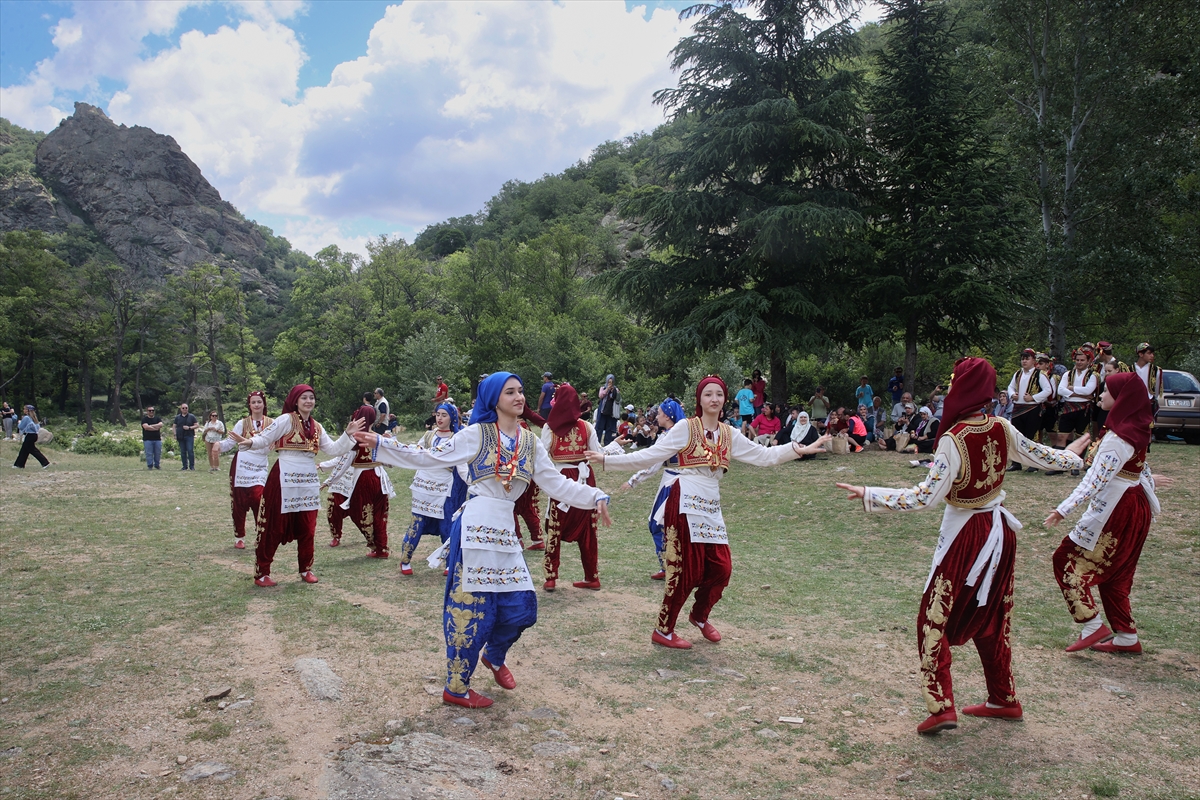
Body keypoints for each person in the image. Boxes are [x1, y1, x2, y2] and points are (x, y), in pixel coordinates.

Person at [836, 357, 1086, 736]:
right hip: (1000, 532)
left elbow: (925, 497)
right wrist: (1076, 454)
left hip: (966, 536)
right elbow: (1045, 456)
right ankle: (1003, 698)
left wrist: (872, 493)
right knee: (993, 619)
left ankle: (942, 706)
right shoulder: (1002, 427)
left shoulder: (954, 439)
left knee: (932, 618)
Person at [353, 372, 613, 709]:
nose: (519, 397)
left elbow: (558, 485)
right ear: (493, 399)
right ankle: (456, 687)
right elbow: (430, 458)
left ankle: (494, 654)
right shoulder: (476, 434)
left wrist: (596, 496)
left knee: (523, 609)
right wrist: (383, 444)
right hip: (475, 525)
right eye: (510, 392)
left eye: (521, 391)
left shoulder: (531, 442)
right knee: (469, 611)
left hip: (504, 530)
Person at [586, 376, 831, 650]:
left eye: (718, 394)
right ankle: (663, 630)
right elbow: (651, 455)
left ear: (725, 399)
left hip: (711, 503)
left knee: (721, 568)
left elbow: (763, 456)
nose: (714, 399)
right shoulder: (685, 428)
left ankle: (699, 616)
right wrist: (608, 460)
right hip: (685, 498)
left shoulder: (730, 434)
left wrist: (797, 449)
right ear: (699, 400)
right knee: (685, 569)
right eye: (708, 394)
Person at [1045, 372, 1170, 655]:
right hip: (1135, 506)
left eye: (1106, 392)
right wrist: (1148, 478)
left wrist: (1063, 510)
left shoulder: (1117, 437)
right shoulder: (1135, 427)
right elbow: (1132, 468)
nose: (1100, 396)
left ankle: (1091, 625)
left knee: (1065, 559)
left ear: (1121, 398)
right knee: (1117, 575)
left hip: (1119, 509)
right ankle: (1126, 635)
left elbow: (1095, 480)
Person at [230, 385, 364, 587]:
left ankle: (306, 568)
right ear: (295, 400)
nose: (309, 401)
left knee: (308, 527)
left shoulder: (317, 426)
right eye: (304, 398)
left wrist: (347, 434)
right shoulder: (286, 419)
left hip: (308, 478)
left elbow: (334, 449)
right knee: (273, 526)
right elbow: (265, 438)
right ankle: (262, 572)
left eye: (311, 397)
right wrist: (248, 443)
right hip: (284, 474)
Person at [540, 383, 618, 591]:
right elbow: (598, 453)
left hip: (561, 479)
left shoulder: (550, 427)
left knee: (555, 527)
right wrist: (614, 448)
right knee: (588, 529)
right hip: (585, 477)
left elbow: (541, 457)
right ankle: (591, 576)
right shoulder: (586, 426)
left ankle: (551, 577)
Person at [396, 403, 469, 576]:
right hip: (424, 485)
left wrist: (473, 483)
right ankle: (405, 559)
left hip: (445, 487)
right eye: (438, 414)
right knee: (417, 522)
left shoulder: (457, 437)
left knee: (447, 524)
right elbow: (416, 451)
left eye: (444, 415)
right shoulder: (429, 435)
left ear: (452, 417)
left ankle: (450, 561)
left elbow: (462, 465)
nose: (440, 418)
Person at [620, 398, 689, 579]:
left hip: (673, 483)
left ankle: (670, 567)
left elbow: (652, 463)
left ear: (667, 415)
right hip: (690, 483)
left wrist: (633, 480)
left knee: (657, 524)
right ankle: (674, 566)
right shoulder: (688, 433)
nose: (656, 416)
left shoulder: (668, 437)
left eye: (658, 414)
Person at [322, 404, 396, 559]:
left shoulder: (355, 440)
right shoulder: (378, 437)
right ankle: (382, 549)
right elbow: (390, 462)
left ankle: (374, 544)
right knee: (380, 514)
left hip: (363, 480)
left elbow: (344, 463)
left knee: (359, 513)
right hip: (380, 479)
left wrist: (329, 481)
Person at [219, 391, 272, 549]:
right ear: (249, 405)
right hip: (241, 465)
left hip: (260, 465)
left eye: (259, 402)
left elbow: (280, 440)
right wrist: (217, 446)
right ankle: (239, 537)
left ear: (264, 404)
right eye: (253, 402)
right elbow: (230, 442)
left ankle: (261, 534)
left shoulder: (272, 422)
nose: (256, 405)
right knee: (239, 502)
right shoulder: (242, 423)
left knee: (259, 499)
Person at [1004, 349, 1052, 472]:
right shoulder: (1018, 373)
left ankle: (1033, 464)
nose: (1024, 361)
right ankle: (1016, 463)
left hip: (1032, 408)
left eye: (1027, 358)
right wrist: (1012, 394)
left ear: (1033, 361)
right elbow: (1010, 387)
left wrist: (1033, 398)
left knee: (1031, 436)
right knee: (1016, 435)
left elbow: (1048, 390)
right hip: (1018, 408)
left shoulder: (1039, 374)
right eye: (1023, 359)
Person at [1055, 348, 1098, 472]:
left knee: (1081, 437)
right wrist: (1079, 394)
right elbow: (1060, 390)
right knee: (1061, 436)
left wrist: (1072, 388)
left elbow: (1089, 390)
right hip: (1068, 407)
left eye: (1082, 360)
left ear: (1089, 361)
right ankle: (1059, 465)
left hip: (1083, 408)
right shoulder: (1067, 374)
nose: (1079, 362)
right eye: (1077, 360)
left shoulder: (1093, 375)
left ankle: (1077, 464)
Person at [12, 405, 50, 469]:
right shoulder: (34, 418)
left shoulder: (26, 418)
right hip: (34, 435)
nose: (23, 410)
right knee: (24, 450)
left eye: (24, 409)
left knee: (32, 450)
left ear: (28, 410)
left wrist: (19, 422)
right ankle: (19, 464)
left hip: (29, 435)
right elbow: (37, 427)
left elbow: (20, 427)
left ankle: (45, 462)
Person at [596, 374, 622, 446]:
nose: (610, 382)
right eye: (609, 380)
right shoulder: (603, 388)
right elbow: (601, 396)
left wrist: (615, 391)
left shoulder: (616, 389)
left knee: (609, 429)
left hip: (611, 412)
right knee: (599, 428)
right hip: (602, 411)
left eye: (611, 380)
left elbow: (618, 399)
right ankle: (597, 443)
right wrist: (607, 388)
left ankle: (607, 444)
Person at [173, 403, 198, 471]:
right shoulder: (178, 417)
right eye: (183, 408)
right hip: (180, 436)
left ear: (188, 408)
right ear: (181, 409)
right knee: (183, 452)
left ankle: (192, 466)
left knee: (190, 451)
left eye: (186, 408)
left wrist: (189, 428)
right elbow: (174, 426)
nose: (185, 409)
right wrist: (175, 434)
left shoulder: (191, 416)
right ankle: (184, 466)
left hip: (189, 436)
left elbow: (196, 425)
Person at [140, 405, 164, 469]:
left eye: (152, 410)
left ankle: (157, 465)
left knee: (157, 453)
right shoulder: (144, 419)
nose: (151, 412)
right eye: (149, 410)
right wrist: (155, 428)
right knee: (149, 453)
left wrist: (151, 426)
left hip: (157, 439)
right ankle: (150, 465)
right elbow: (146, 427)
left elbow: (161, 425)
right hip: (147, 439)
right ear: (147, 411)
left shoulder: (157, 418)